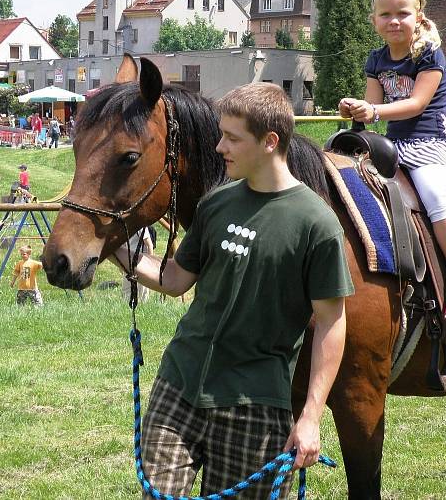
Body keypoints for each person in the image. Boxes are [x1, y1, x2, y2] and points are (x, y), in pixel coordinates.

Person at [113, 82, 353, 498]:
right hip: (179, 387)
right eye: (220, 134)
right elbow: (174, 280)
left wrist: (311, 415)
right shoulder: (216, 203)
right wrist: (114, 243)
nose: (219, 147)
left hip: (255, 407)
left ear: (270, 142)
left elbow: (332, 322)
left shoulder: (317, 224)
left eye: (231, 138)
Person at [338, 0, 446, 321]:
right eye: (385, 14)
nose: (394, 20)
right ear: (374, 21)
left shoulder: (428, 54)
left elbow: (417, 103)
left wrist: (373, 110)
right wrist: (356, 108)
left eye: (403, 13)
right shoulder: (376, 60)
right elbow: (373, 108)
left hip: (432, 143)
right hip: (395, 145)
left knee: (434, 193)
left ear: (419, 16)